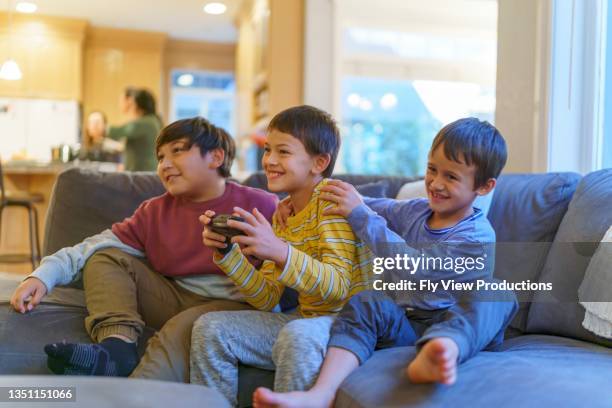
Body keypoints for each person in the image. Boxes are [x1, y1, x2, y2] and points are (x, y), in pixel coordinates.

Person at [253, 117, 519, 408]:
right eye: (432, 170)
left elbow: (417, 270)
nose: (436, 183)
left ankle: (443, 349)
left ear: (484, 186)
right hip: (409, 324)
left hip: (459, 321)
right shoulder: (417, 210)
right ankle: (322, 393)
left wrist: (361, 215)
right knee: (367, 300)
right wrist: (306, 199)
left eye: (452, 177)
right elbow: (364, 204)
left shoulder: (477, 235)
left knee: (497, 291)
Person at [9, 117, 278, 380]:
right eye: (160, 157)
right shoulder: (154, 211)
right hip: (172, 295)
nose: (165, 164)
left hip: (232, 305)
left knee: (180, 331)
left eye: (178, 151)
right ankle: (118, 347)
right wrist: (43, 276)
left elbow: (294, 258)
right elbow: (93, 245)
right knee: (104, 257)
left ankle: (136, 393)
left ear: (216, 158)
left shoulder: (262, 204)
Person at [191, 105, 373, 407]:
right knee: (210, 328)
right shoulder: (284, 213)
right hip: (307, 319)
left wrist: (280, 251)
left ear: (319, 162)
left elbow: (338, 286)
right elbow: (268, 299)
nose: (270, 161)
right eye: (268, 150)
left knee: (297, 334)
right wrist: (228, 254)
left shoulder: (332, 201)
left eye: (284, 152)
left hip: (347, 324)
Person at [107, 87, 162, 171]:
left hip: (143, 173)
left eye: (122, 100)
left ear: (133, 102)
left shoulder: (145, 122)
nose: (120, 104)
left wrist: (100, 128)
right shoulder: (152, 120)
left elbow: (118, 132)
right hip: (144, 172)